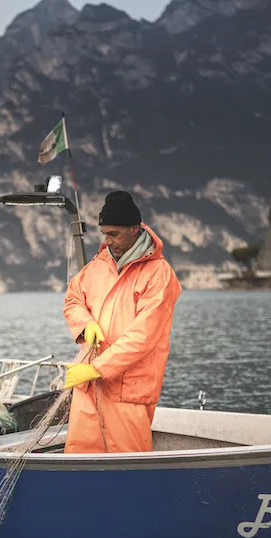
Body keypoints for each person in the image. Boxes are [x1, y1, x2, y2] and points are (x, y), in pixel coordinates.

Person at [61, 190, 182, 453]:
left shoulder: (159, 275)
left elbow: (143, 336)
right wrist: (85, 324)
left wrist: (98, 368)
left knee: (129, 468)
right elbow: (73, 299)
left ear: (134, 229)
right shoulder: (97, 265)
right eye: (104, 233)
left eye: (113, 234)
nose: (107, 241)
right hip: (88, 388)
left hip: (128, 391)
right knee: (79, 463)